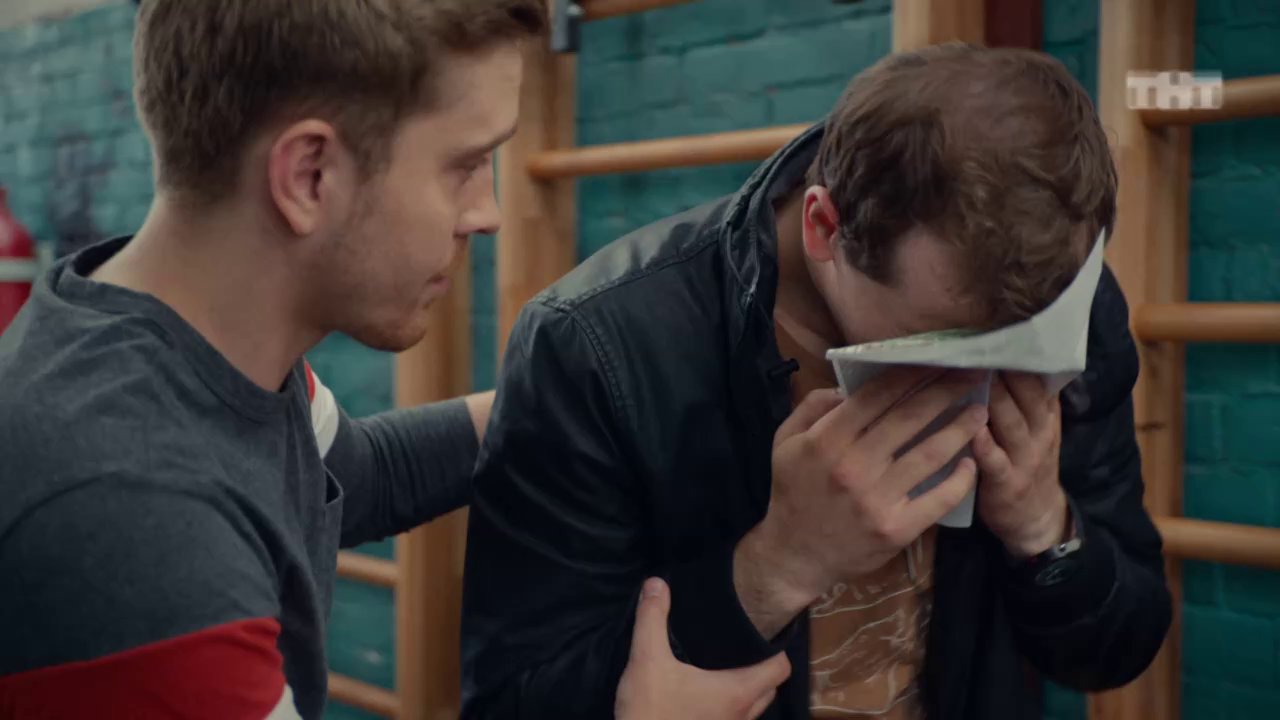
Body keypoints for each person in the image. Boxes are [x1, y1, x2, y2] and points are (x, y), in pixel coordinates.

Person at [459, 43, 1173, 720]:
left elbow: (1118, 649)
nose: (986, 372)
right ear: (825, 227)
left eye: (1018, 343)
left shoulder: (1060, 303)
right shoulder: (597, 345)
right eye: (944, 343)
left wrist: (1045, 530)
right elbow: (517, 702)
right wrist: (779, 565)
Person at [0, 1, 544, 718]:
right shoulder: (133, 511)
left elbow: (360, 473)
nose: (487, 213)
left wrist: (569, 396)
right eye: (467, 165)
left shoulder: (193, 340)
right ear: (310, 175)